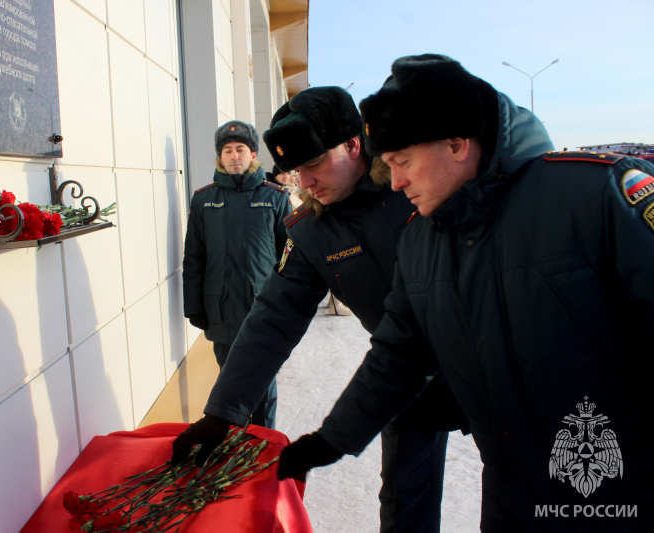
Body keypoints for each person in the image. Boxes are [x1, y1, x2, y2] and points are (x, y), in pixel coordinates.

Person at [276, 54, 654, 533]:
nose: (395, 182)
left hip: (621, 492)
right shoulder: (421, 240)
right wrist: (328, 441)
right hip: (511, 496)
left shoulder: (592, 196)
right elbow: (398, 354)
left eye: (403, 161)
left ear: (456, 143)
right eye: (388, 165)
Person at [173, 87, 466, 532]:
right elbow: (272, 318)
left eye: (313, 163)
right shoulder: (312, 231)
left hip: (494, 370)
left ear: (352, 144)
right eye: (295, 169)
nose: (303, 182)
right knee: (404, 504)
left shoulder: (420, 189)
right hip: (403, 383)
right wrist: (222, 414)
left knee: (526, 497)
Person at [182, 120, 291, 429]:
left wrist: (286, 304)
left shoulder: (275, 197)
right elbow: (194, 258)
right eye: (227, 150)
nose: (234, 156)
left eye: (240, 149)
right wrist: (194, 306)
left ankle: (263, 444)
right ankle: (237, 446)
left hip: (263, 308)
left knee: (263, 383)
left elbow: (291, 256)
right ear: (220, 156)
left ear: (253, 153)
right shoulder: (204, 200)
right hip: (222, 310)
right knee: (229, 382)